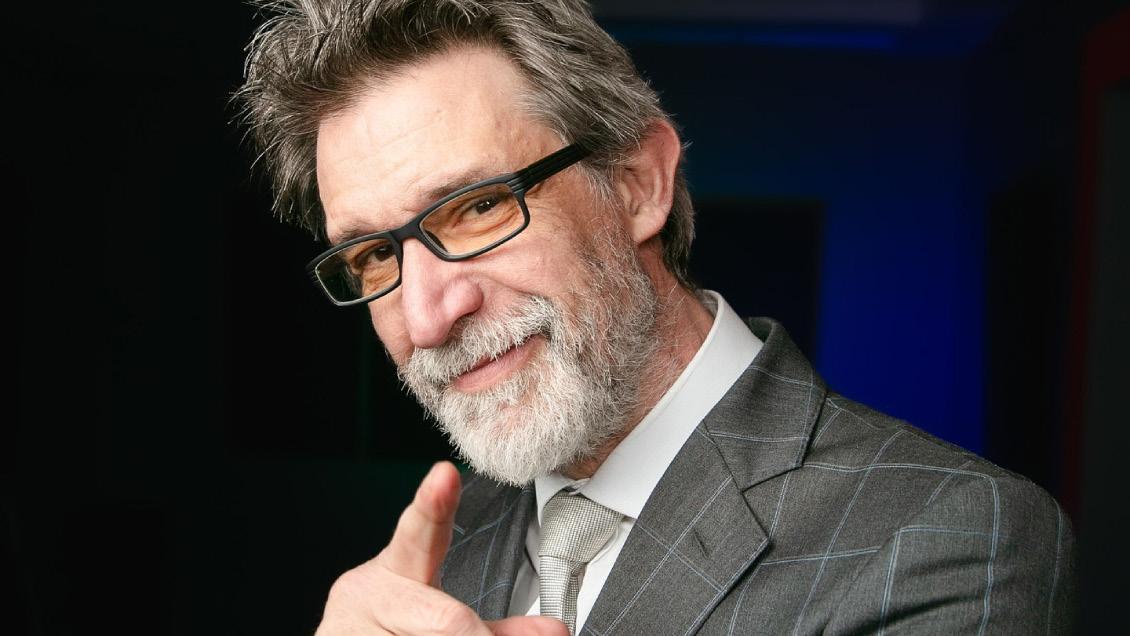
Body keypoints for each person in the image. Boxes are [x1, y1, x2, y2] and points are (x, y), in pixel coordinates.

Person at [237, 1, 1075, 633]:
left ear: (639, 184)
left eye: (478, 207)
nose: (425, 318)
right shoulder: (434, 558)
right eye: (373, 256)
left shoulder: (947, 537)